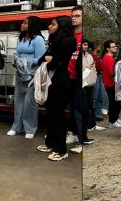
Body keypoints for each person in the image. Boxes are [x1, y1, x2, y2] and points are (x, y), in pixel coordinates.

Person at [36, 16, 75, 161]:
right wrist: (50, 59)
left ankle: (61, 149)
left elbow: (54, 63)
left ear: (61, 26)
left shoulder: (67, 42)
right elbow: (42, 59)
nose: (49, 27)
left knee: (58, 115)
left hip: (60, 80)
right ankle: (51, 143)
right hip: (51, 80)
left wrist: (50, 59)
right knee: (50, 113)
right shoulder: (54, 42)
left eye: (53, 24)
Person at [9, 16, 45, 139]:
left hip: (32, 75)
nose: (22, 24)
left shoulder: (38, 39)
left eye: (25, 23)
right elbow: (18, 54)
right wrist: (17, 61)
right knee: (18, 101)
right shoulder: (22, 38)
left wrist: (24, 62)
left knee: (30, 103)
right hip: (20, 74)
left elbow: (40, 59)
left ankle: (30, 128)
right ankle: (16, 127)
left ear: (32, 25)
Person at [65, 6, 87, 153]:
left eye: (78, 16)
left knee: (80, 109)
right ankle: (73, 133)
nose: (74, 18)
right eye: (73, 16)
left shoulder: (83, 37)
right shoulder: (69, 35)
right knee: (72, 109)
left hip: (80, 78)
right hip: (68, 77)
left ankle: (82, 140)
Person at [82, 40, 104, 134]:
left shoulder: (90, 56)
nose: (86, 46)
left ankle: (92, 124)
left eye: (87, 45)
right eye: (84, 44)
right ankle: (85, 125)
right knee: (84, 106)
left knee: (91, 105)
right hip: (83, 85)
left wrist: (94, 78)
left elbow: (94, 68)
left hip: (91, 84)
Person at [100, 41, 121, 128]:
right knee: (114, 104)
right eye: (113, 46)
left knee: (115, 103)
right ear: (107, 48)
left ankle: (115, 119)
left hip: (112, 84)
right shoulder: (108, 59)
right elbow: (112, 73)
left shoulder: (110, 58)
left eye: (115, 46)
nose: (115, 47)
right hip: (111, 85)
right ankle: (112, 121)